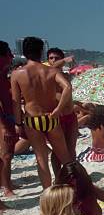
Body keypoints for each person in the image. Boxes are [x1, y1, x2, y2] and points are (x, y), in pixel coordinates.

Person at [10, 37, 72, 188]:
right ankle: (76, 188)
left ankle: (47, 194)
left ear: (24, 52)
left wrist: (18, 123)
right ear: (41, 52)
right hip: (51, 117)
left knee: (41, 159)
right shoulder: (51, 71)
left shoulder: (18, 74)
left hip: (32, 119)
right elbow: (68, 88)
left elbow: (16, 102)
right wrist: (58, 109)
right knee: (66, 159)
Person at [47, 48, 78, 174]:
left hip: (70, 115)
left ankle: (72, 175)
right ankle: (58, 176)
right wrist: (64, 60)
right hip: (56, 116)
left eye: (56, 58)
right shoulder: (48, 74)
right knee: (57, 150)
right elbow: (53, 67)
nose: (53, 60)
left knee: (71, 148)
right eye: (51, 58)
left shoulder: (65, 76)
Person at [0, 41, 17, 205]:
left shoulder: (3, 74)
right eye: (8, 54)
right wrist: (4, 126)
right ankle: (6, 187)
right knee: (5, 155)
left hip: (8, 117)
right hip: (3, 119)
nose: (11, 57)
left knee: (8, 155)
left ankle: (8, 183)